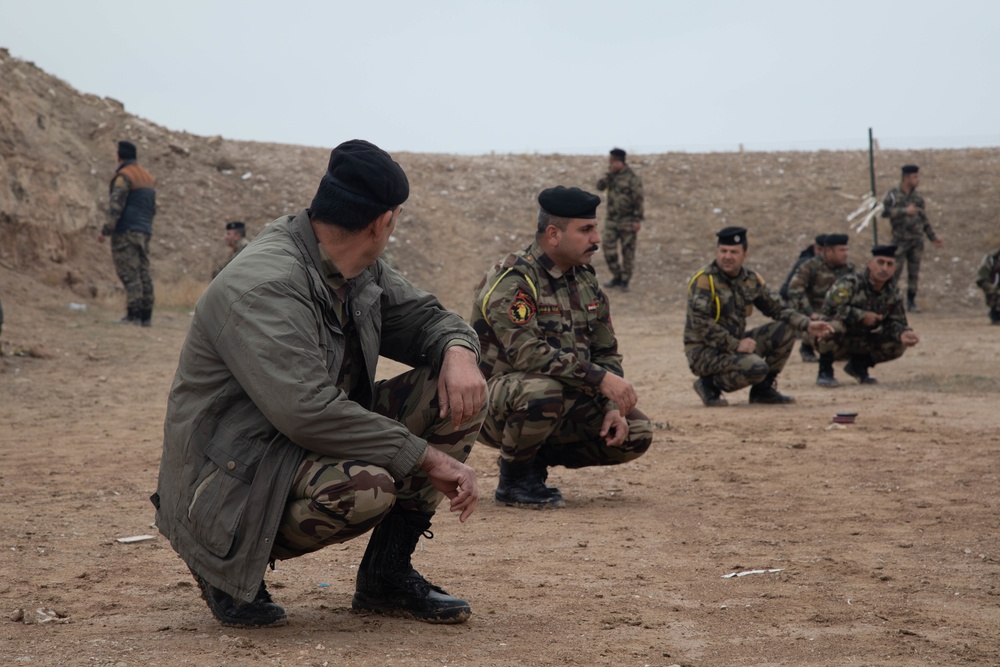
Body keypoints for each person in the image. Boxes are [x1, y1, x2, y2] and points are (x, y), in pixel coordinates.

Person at [152, 140, 487, 628]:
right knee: (368, 488)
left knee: (460, 391)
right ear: (382, 223)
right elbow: (309, 411)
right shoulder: (266, 284)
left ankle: (386, 576)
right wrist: (426, 457)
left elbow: (426, 320)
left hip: (296, 445)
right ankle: (221, 563)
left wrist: (458, 351)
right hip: (234, 473)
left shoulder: (354, 266)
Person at [470, 186, 652, 509]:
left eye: (595, 228)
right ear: (553, 234)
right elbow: (528, 354)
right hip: (494, 405)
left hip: (553, 399)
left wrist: (612, 406)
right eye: (586, 230)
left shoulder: (584, 280)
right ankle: (513, 479)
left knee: (636, 430)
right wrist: (601, 380)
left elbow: (606, 351)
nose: (596, 238)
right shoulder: (515, 281)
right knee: (542, 390)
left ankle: (532, 458)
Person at [684, 226, 834, 407]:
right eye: (723, 251)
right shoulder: (704, 280)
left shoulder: (750, 279)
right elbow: (701, 324)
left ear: (744, 255)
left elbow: (777, 308)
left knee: (785, 329)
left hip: (733, 345)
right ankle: (709, 385)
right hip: (704, 351)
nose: (727, 256)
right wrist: (736, 345)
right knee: (756, 367)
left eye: (733, 252)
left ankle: (763, 391)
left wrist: (807, 325)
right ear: (717, 252)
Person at [815, 244, 920, 385]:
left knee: (898, 342)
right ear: (870, 264)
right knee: (832, 326)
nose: (884, 268)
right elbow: (830, 309)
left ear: (895, 268)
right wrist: (861, 315)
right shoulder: (850, 283)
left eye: (889, 264)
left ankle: (858, 367)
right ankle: (825, 371)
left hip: (863, 339)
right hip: (835, 339)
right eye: (880, 262)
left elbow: (895, 321)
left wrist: (902, 333)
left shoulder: (893, 292)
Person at [99, 140, 156, 326]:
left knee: (130, 273)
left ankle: (133, 315)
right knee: (144, 273)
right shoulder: (147, 177)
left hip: (126, 231)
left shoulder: (124, 176)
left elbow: (116, 205)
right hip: (144, 231)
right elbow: (152, 208)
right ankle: (146, 316)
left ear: (119, 156)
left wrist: (106, 230)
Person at [787, 233, 855, 383]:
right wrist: (811, 314)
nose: (846, 254)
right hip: (814, 318)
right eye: (841, 250)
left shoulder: (849, 270)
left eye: (846, 250)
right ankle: (824, 371)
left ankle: (859, 366)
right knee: (827, 328)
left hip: (839, 315)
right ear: (829, 251)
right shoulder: (810, 266)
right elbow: (794, 290)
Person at [881, 164, 943, 312]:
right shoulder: (893, 195)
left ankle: (911, 302)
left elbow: (923, 219)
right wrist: (904, 211)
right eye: (915, 177)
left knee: (913, 274)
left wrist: (933, 237)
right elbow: (884, 212)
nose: (918, 180)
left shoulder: (917, 198)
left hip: (916, 241)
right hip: (899, 241)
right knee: (894, 272)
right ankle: (890, 301)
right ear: (906, 178)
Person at [596, 148, 644, 292]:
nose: (609, 163)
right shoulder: (611, 175)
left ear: (618, 161)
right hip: (612, 220)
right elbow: (599, 186)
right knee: (607, 247)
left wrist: (637, 220)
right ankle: (616, 275)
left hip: (628, 220)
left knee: (627, 252)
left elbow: (638, 199)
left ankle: (625, 280)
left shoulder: (632, 178)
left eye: (611, 160)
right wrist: (610, 174)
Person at [779, 233, 827, 362]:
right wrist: (810, 313)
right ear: (816, 248)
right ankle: (807, 344)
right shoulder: (806, 264)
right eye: (820, 250)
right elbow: (789, 291)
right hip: (799, 305)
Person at [974, 247, 1000, 325]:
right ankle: (995, 314)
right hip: (995, 291)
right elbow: (981, 278)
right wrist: (993, 289)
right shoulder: (991, 259)